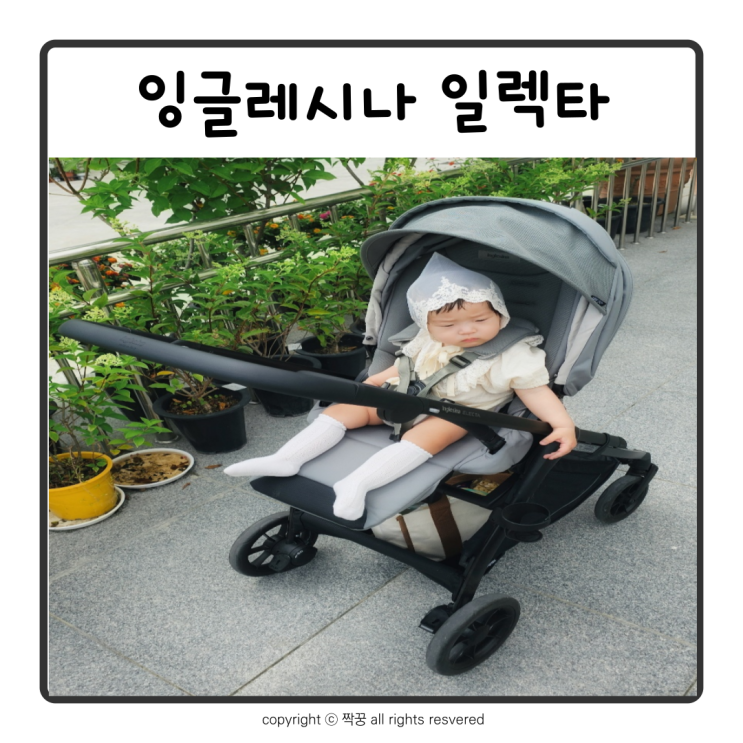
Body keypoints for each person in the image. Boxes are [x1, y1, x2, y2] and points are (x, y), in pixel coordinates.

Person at [225, 253, 577, 520]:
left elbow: (536, 392)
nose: (467, 329)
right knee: (345, 410)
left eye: (481, 319)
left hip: (459, 414)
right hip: (404, 395)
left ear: (500, 314)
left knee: (431, 434)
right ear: (428, 325)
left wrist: (562, 424)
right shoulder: (425, 339)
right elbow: (403, 365)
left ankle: (357, 483)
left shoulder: (513, 354)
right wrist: (371, 385)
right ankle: (286, 459)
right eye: (450, 325)